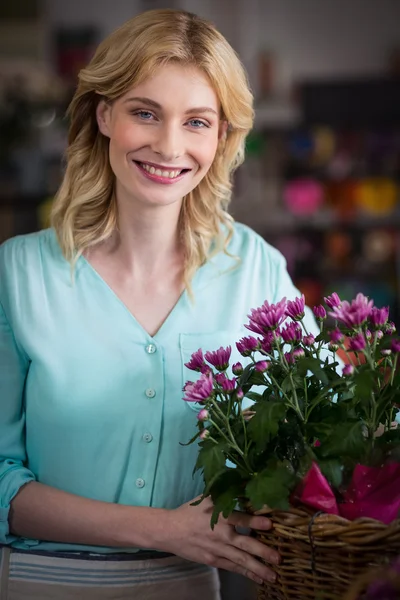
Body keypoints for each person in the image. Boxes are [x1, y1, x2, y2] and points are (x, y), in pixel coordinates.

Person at [0, 9, 322, 599]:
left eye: (196, 121)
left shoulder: (254, 269)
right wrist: (167, 529)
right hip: (38, 584)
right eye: (144, 113)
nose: (169, 145)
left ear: (221, 136)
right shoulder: (18, 275)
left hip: (192, 585)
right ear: (103, 115)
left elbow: (326, 424)